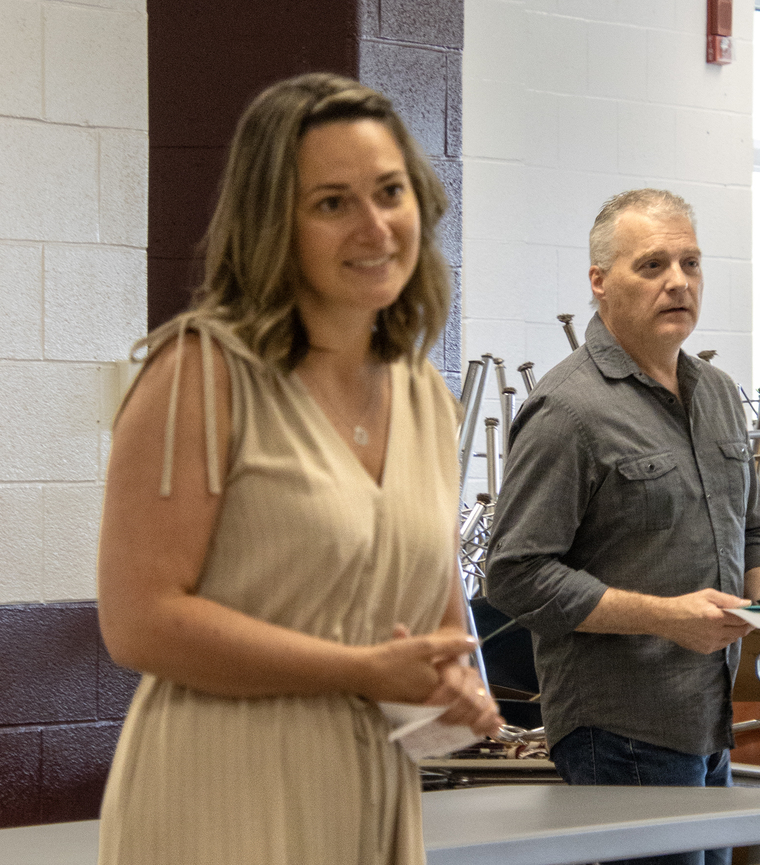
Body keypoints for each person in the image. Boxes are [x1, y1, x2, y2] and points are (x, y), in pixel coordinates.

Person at [96, 73, 502, 865]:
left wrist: (455, 690)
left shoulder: (426, 396)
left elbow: (440, 631)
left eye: (390, 192)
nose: (375, 227)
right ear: (273, 223)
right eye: (332, 203)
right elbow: (138, 620)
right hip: (222, 790)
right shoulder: (201, 374)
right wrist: (358, 668)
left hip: (369, 789)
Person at [485, 189, 760, 865]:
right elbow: (515, 574)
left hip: (712, 720)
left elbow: (752, 530)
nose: (678, 281)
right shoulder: (568, 411)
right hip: (621, 732)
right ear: (599, 283)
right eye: (653, 265)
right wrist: (665, 617)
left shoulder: (717, 395)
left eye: (690, 262)